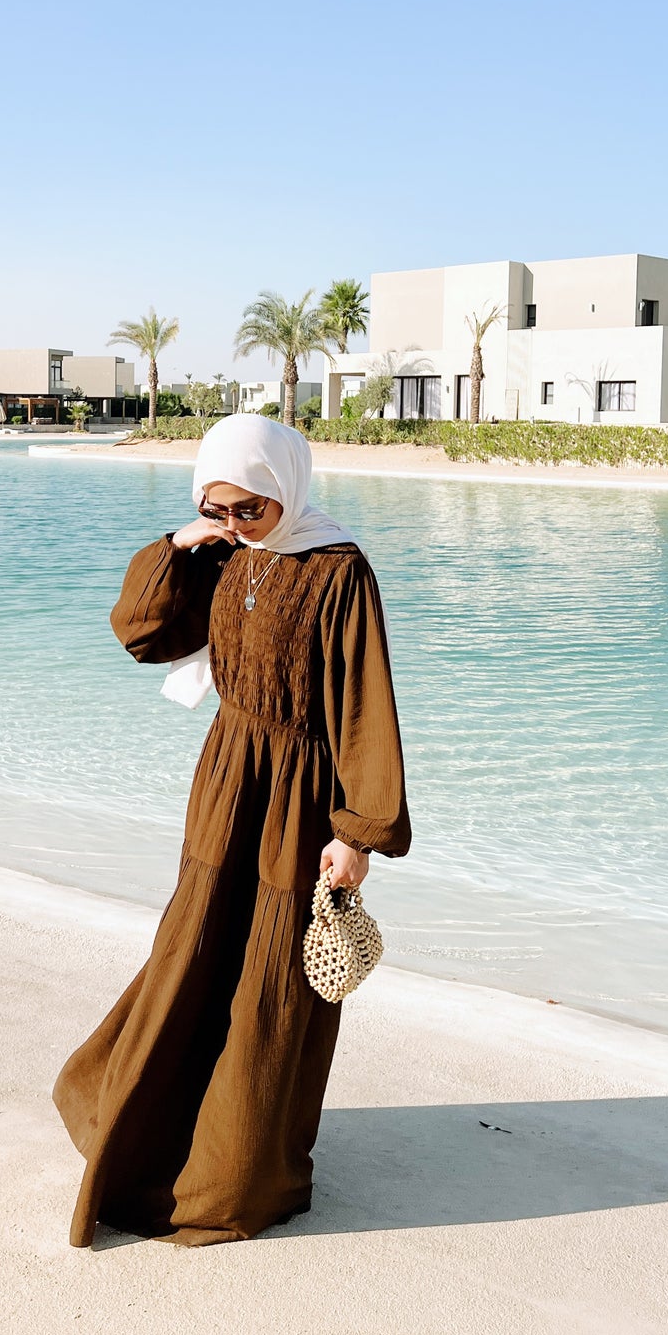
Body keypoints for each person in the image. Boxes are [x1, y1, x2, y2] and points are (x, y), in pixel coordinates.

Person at [53, 415, 412, 1246]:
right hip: (224, 781)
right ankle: (146, 1116)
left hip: (297, 797)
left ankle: (241, 1161)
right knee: (197, 944)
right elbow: (142, 633)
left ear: (283, 488)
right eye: (217, 508)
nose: (236, 525)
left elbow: (364, 703)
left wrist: (357, 832)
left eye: (248, 509)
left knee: (271, 973)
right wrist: (183, 542)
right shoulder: (220, 554)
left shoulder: (337, 569)